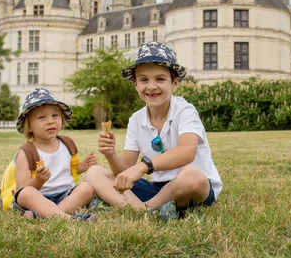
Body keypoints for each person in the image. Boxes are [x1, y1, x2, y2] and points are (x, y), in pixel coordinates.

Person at [84, 42, 222, 220]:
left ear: (174, 83)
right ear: (135, 84)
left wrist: (143, 166)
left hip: (193, 187)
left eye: (160, 79)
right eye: (143, 80)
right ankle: (148, 210)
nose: (151, 86)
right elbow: (125, 170)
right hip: (158, 189)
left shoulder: (185, 110)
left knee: (193, 176)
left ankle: (139, 208)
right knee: (93, 172)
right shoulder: (136, 119)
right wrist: (110, 154)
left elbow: (187, 152)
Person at [12, 87, 98, 221]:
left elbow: (70, 169)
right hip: (39, 197)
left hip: (66, 195)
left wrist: (84, 165)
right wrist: (38, 180)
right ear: (28, 126)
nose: (50, 121)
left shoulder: (67, 144)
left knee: (87, 188)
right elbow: (21, 188)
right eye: (42, 117)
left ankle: (45, 216)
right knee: (26, 194)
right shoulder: (26, 152)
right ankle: (68, 219)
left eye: (55, 115)